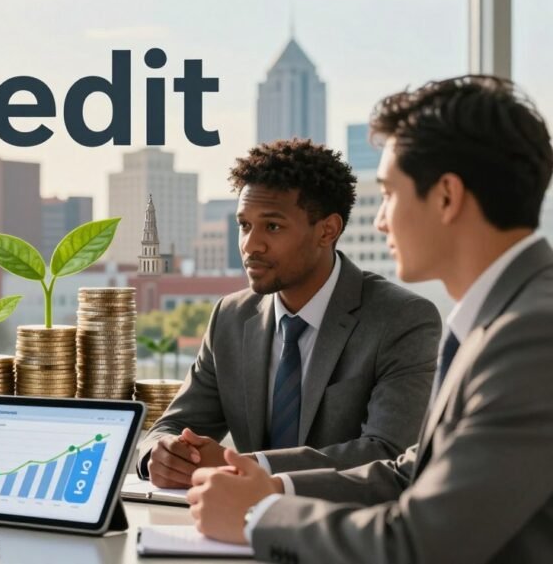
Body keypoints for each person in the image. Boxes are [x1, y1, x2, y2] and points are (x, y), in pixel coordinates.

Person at [187, 75, 553, 563]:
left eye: (388, 194)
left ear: (446, 196)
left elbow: (421, 542)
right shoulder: (503, 317)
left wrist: (259, 519)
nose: (380, 221)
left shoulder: (532, 335)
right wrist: (272, 488)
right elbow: (413, 473)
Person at [139, 138, 442, 489]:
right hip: (233, 530)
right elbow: (172, 426)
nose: (250, 245)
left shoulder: (402, 319)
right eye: (244, 225)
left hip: (342, 532)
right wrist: (161, 455)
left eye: (272, 226)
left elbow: (389, 452)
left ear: (327, 230)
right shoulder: (231, 317)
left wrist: (250, 467)